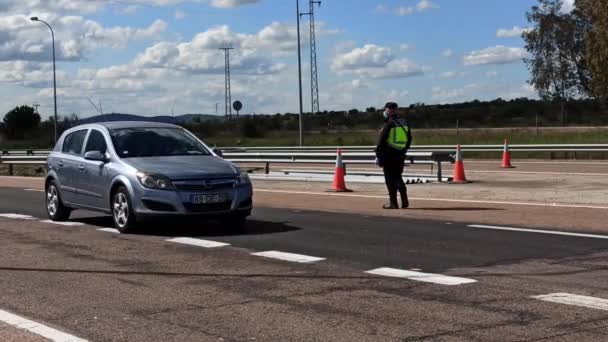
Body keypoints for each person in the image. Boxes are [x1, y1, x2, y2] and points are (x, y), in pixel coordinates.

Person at [375, 102, 412, 209]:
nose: (384, 112)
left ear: (389, 110)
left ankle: (393, 203)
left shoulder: (389, 123)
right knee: (398, 176)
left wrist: (378, 154)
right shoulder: (404, 122)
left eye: (385, 110)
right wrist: (403, 151)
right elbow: (409, 139)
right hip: (400, 155)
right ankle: (404, 200)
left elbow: (381, 141)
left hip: (389, 155)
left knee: (389, 179)